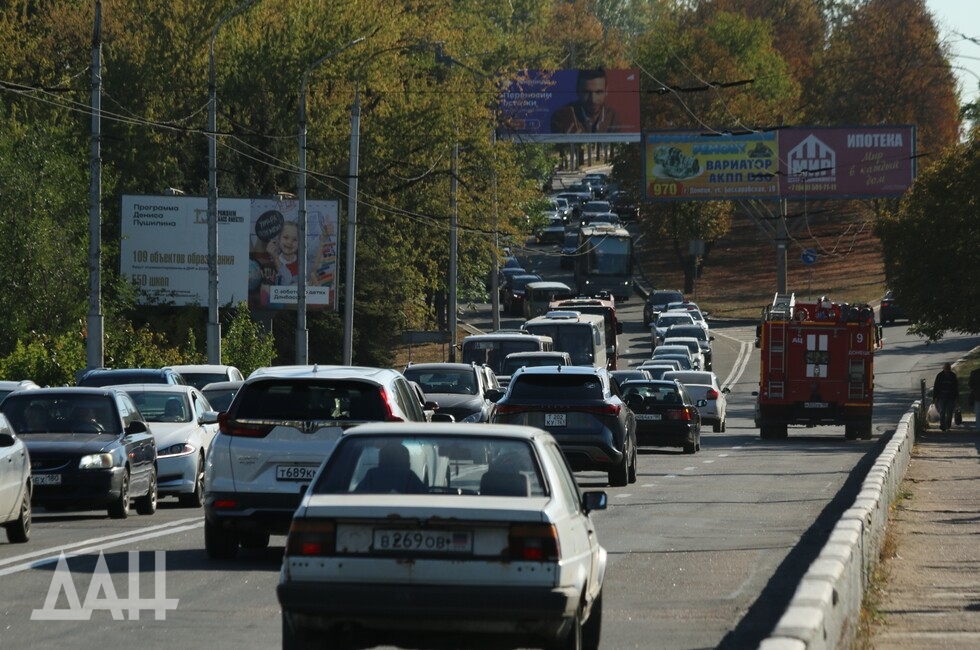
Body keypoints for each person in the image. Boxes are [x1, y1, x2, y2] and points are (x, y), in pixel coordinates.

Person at [550, 68, 621, 134]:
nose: (593, 100)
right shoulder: (562, 118)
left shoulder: (613, 117)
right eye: (587, 92)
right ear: (578, 90)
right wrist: (565, 142)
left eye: (598, 92)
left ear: (606, 91)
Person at [267, 220, 300, 285]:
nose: (289, 242)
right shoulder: (272, 265)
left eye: (295, 240)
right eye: (286, 237)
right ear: (279, 239)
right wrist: (275, 258)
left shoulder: (302, 264)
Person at [932, 362, 959, 432]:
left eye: (948, 368)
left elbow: (956, 387)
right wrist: (935, 397)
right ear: (943, 369)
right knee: (942, 411)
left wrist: (956, 398)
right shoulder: (940, 376)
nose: (947, 370)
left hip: (950, 396)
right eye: (946, 368)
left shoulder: (953, 376)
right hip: (942, 396)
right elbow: (936, 387)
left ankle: (948, 426)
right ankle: (942, 425)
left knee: (949, 411)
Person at [970, 367, 980, 431]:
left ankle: (978, 427)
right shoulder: (974, 373)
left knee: (978, 412)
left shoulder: (974, 373)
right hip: (977, 395)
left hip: (977, 395)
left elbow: (970, 384)